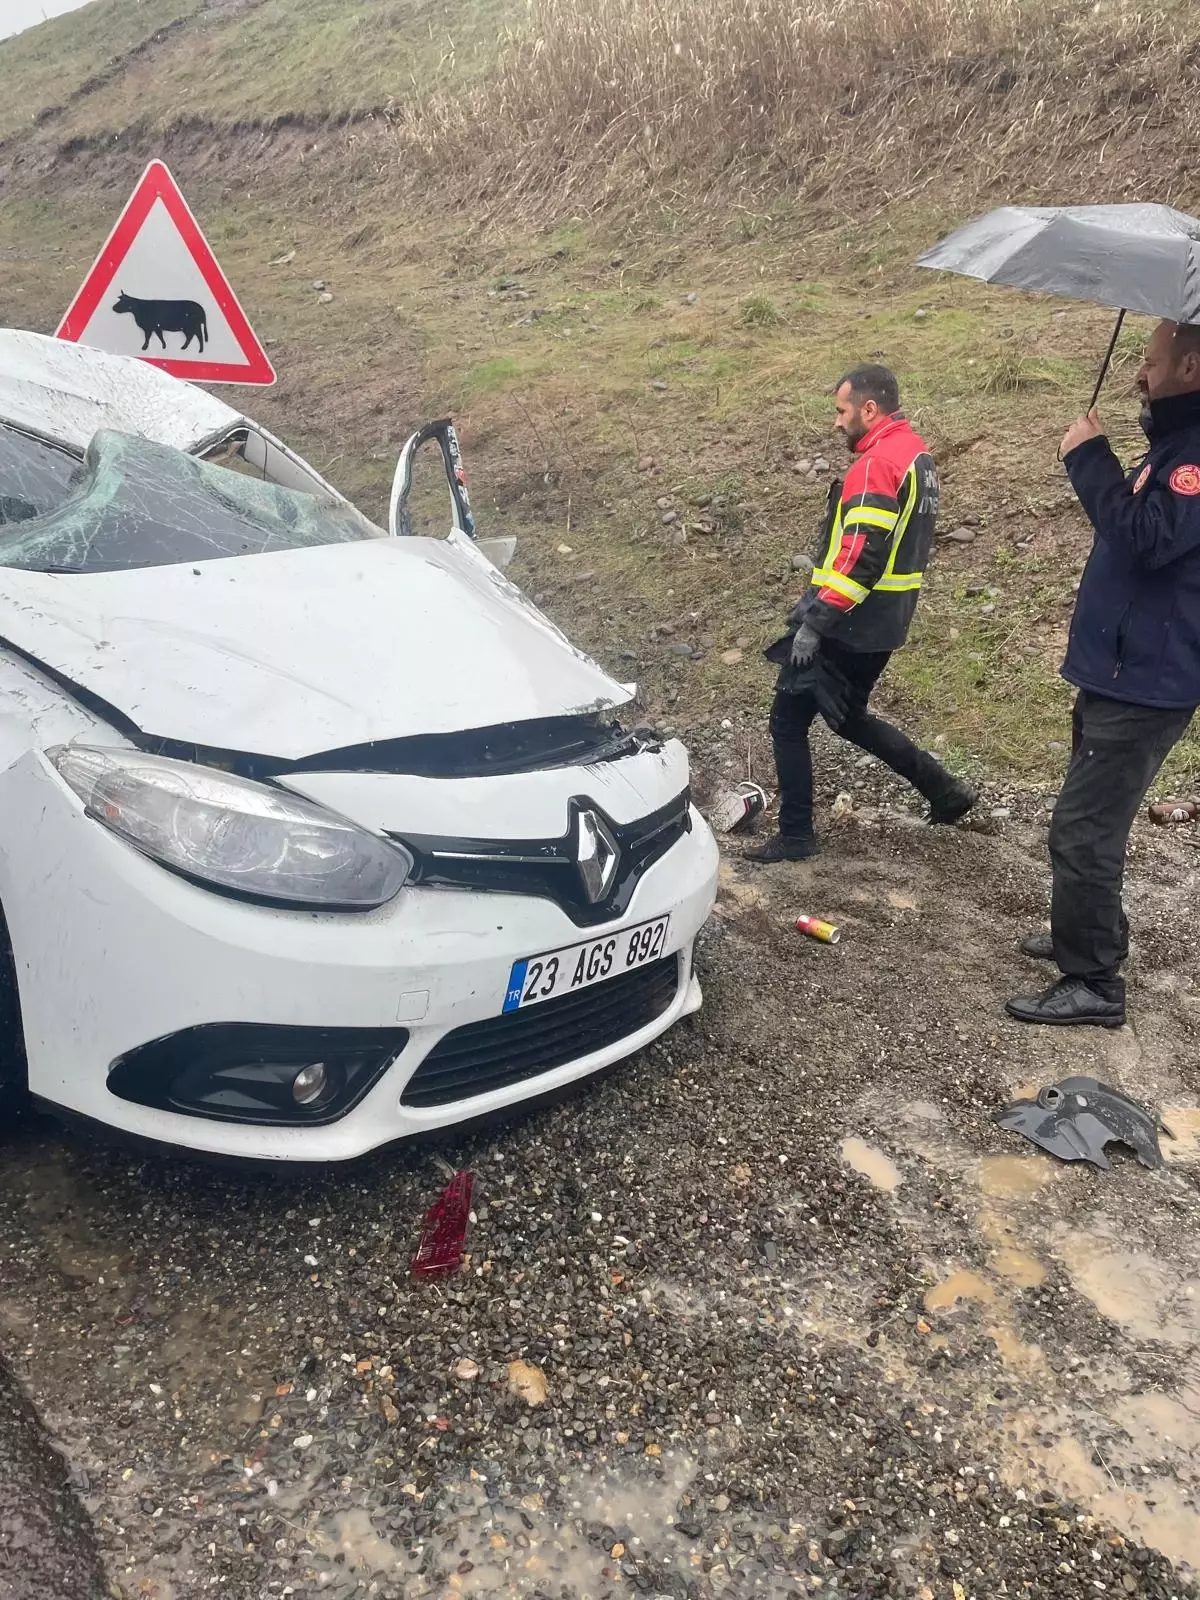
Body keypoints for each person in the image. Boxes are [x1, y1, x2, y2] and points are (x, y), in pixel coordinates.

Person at [1007, 319, 1200, 1028]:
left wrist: (1089, 458)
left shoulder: (1194, 459)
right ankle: (1084, 932)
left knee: (1082, 831)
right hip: (1120, 670)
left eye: (1151, 363)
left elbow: (1146, 540)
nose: (1139, 376)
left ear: (1192, 367)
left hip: (1147, 681)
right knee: (1088, 821)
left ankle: (1093, 981)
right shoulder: (1173, 444)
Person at [747, 364, 976, 863]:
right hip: (885, 622)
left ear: (869, 409)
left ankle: (796, 836)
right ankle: (944, 789)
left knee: (787, 721)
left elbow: (861, 556)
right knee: (848, 717)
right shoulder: (917, 456)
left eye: (841, 411)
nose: (836, 423)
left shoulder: (876, 463)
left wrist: (814, 623)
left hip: (847, 621)